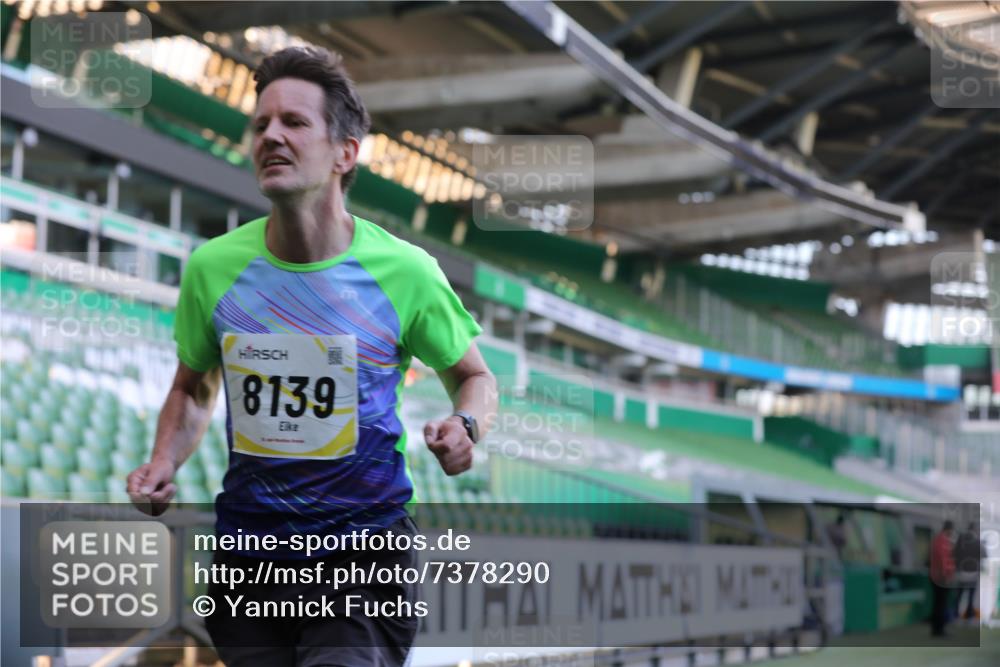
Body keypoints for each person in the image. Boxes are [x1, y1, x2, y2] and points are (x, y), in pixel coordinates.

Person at [127, 46, 497, 667]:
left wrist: (466, 425)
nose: (270, 135)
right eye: (261, 123)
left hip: (364, 557)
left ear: (345, 153)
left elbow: (476, 378)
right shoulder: (213, 270)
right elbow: (193, 389)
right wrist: (164, 458)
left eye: (294, 123)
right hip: (249, 561)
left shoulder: (406, 273)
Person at [953, 522, 986, 621]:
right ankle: (969, 615)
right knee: (971, 595)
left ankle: (955, 614)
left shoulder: (960, 540)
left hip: (960, 572)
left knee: (959, 594)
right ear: (975, 530)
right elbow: (984, 555)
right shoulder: (977, 541)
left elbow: (954, 554)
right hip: (973, 573)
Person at [929, 520, 956, 637]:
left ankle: (938, 628)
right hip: (940, 577)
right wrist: (947, 575)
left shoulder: (938, 539)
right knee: (941, 604)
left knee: (939, 603)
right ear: (949, 529)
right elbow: (943, 559)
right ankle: (938, 629)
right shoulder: (943, 541)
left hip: (937, 575)